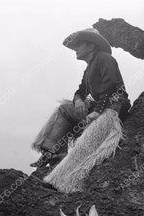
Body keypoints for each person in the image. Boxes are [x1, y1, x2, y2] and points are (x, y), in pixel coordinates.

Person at [30, 28, 130, 168]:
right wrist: (78, 100)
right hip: (98, 108)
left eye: (79, 44)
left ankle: (62, 161)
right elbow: (80, 90)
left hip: (114, 107)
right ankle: (54, 153)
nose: (75, 48)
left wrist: (98, 111)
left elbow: (111, 85)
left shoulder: (104, 58)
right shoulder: (88, 68)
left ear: (90, 46)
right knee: (65, 109)